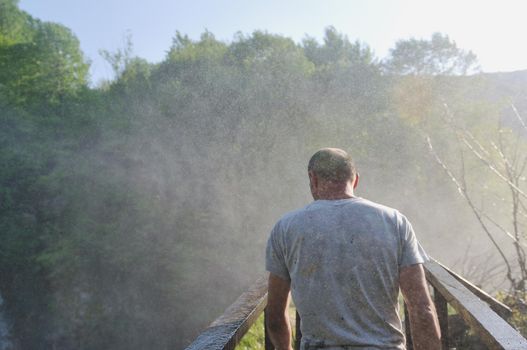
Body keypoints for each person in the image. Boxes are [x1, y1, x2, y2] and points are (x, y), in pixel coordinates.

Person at [265, 148, 441, 350]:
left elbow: (276, 316)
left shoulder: (286, 228)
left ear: (312, 179)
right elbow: (421, 307)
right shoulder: (394, 222)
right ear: (355, 180)